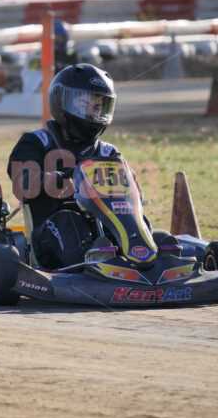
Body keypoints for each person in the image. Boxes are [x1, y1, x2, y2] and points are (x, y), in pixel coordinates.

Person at [8, 63, 142, 269]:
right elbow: (22, 182)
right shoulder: (37, 142)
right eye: (85, 104)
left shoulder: (108, 152)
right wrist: (50, 179)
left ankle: (152, 257)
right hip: (49, 235)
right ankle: (94, 264)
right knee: (68, 220)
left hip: (103, 227)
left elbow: (132, 198)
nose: (92, 113)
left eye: (98, 107)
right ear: (63, 102)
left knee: (139, 224)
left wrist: (131, 185)